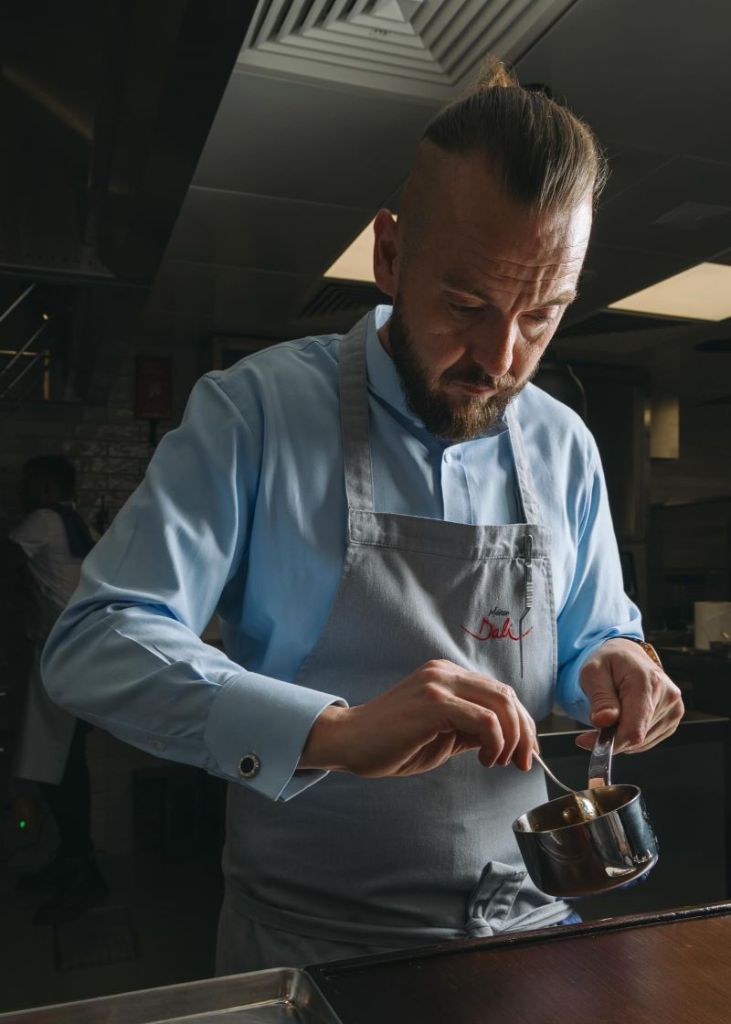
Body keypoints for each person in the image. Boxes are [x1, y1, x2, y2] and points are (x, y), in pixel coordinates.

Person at [42, 63, 683, 971]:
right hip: (313, 948)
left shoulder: (565, 442)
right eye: (466, 304)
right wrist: (329, 735)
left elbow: (591, 634)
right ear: (388, 255)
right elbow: (97, 643)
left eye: (540, 316)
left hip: (530, 936)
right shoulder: (253, 412)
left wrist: (618, 663)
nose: (500, 359)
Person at [6, 455, 108, 924]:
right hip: (76, 660)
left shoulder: (45, 520)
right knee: (65, 770)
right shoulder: (75, 522)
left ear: (46, 487)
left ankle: (81, 874)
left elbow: (6, 559)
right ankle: (72, 863)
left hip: (60, 660)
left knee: (65, 774)